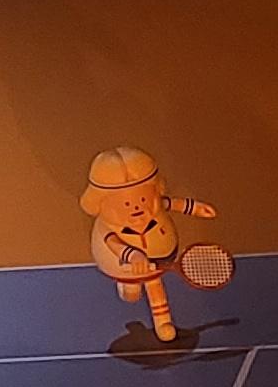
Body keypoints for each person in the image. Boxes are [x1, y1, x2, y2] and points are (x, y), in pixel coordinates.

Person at [79, 142, 214, 352]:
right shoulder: (107, 228)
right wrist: (133, 256)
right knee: (132, 294)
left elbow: (171, 203)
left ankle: (163, 322)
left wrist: (195, 208)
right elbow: (114, 243)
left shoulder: (158, 205)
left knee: (155, 286)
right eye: (126, 203)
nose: (136, 207)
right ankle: (129, 288)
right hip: (126, 267)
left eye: (143, 199)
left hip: (160, 260)